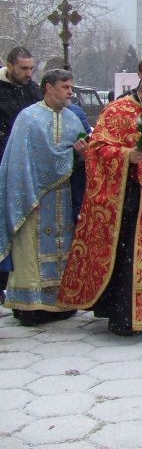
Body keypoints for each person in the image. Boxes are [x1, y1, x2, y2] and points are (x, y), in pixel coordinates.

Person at [58, 69, 142, 335]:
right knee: (127, 260)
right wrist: (126, 155)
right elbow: (97, 150)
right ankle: (125, 318)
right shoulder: (117, 112)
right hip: (127, 202)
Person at [0, 69, 87, 326]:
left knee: (63, 250)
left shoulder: (73, 119)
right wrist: (70, 156)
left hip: (63, 197)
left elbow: (80, 160)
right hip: (33, 197)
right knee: (32, 251)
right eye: (65, 87)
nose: (70, 92)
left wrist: (84, 155)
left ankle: (60, 302)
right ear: (49, 87)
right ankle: (30, 305)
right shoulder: (29, 118)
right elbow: (20, 161)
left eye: (71, 87)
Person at [0, 46, 42, 304]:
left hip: (27, 168)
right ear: (9, 66)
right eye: (23, 68)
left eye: (31, 68)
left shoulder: (33, 90)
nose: (28, 73)